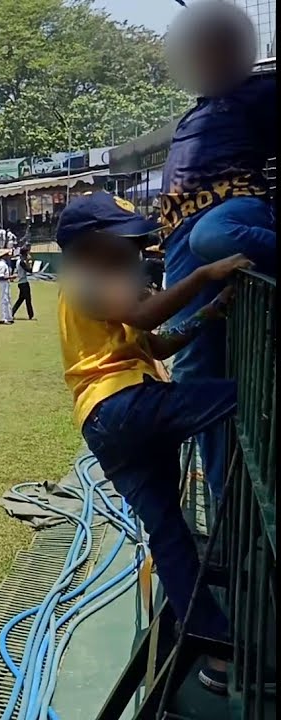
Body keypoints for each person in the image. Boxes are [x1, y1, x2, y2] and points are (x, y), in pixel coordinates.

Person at [54, 192, 251, 694]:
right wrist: (205, 276)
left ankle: (217, 652)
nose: (134, 257)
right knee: (244, 395)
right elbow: (144, 320)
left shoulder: (104, 285)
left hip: (112, 429)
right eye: (122, 247)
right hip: (121, 407)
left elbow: (156, 342)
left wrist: (210, 315)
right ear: (85, 247)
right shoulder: (80, 280)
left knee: (170, 538)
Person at [159, 0, 276, 500]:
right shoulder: (194, 114)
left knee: (213, 237)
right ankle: (225, 507)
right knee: (192, 373)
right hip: (179, 240)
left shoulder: (256, 93)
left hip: (233, 212)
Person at [11, 246, 35, 320]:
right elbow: (29, 270)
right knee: (28, 299)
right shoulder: (22, 262)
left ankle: (11, 312)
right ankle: (30, 314)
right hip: (24, 283)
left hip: (21, 282)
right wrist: (30, 262)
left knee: (21, 299)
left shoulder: (19, 261)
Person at [0, 248, 15, 325]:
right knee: (4, 300)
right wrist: (11, 277)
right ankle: (3, 318)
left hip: (5, 283)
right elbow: (1, 277)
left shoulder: (3, 264)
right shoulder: (1, 265)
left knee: (7, 299)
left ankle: (9, 317)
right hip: (3, 283)